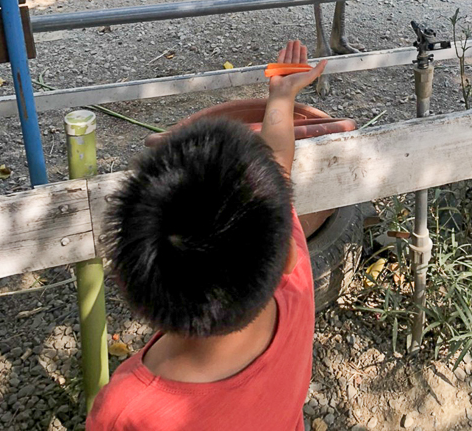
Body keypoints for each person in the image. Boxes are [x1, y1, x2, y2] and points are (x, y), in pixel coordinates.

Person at [87, 40, 326, 431]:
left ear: (131, 282)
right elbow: (278, 165)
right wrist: (282, 98)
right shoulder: (292, 282)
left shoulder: (127, 410)